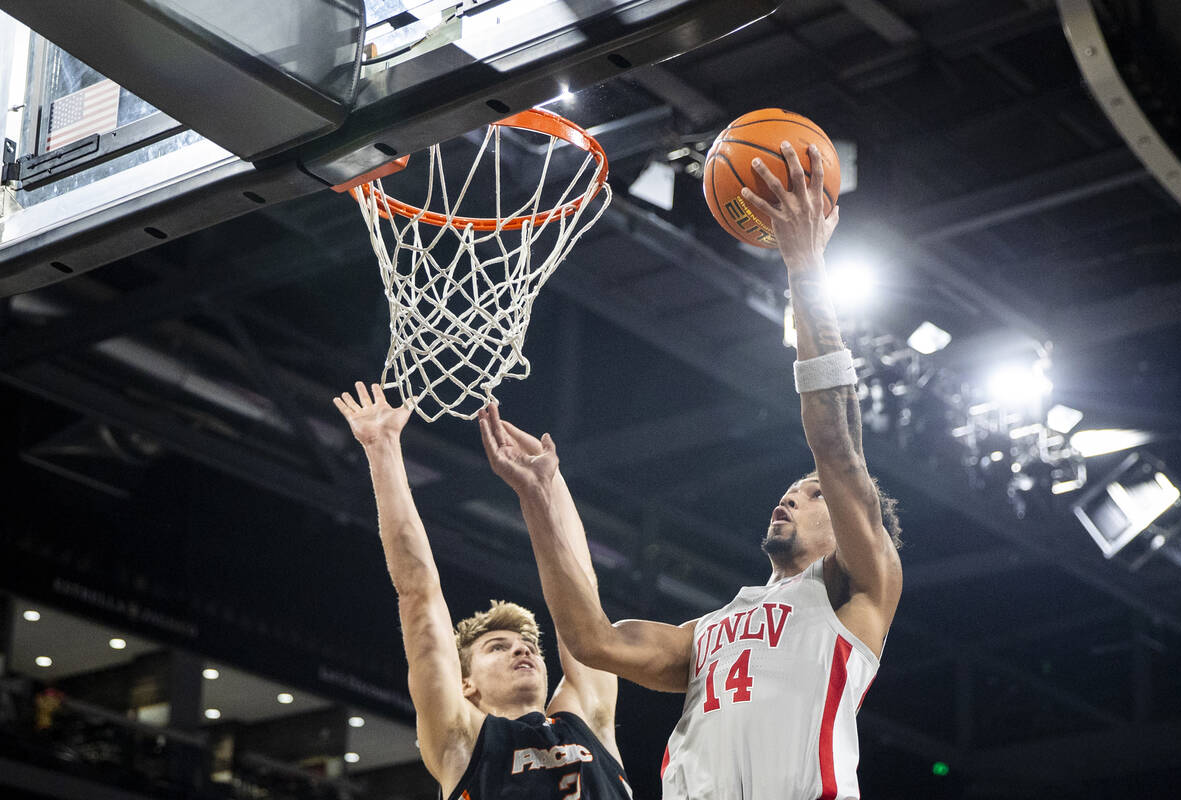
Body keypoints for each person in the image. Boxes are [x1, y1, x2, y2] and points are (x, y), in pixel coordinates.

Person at [478, 142, 902, 799]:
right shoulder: (705, 634)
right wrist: (538, 498)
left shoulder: (857, 588)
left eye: (812, 495)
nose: (791, 497)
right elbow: (591, 641)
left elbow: (838, 447)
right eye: (792, 490)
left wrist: (804, 265)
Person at [333, 382, 632, 800]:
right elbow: (418, 594)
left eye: (527, 644)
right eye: (497, 647)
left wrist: (548, 485)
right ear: (466, 684)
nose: (522, 650)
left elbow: (582, 589)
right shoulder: (461, 738)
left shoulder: (590, 719)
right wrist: (382, 447)